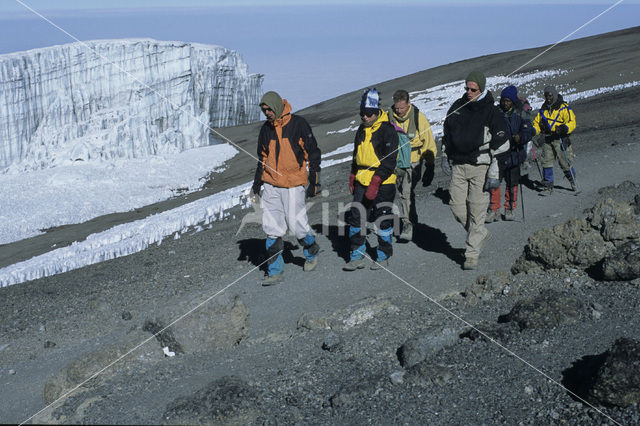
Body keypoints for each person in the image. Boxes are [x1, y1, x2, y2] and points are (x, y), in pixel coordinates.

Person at [252, 91, 321, 285]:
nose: (267, 113)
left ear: (277, 106)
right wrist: (257, 185)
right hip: (271, 184)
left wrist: (314, 182)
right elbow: (262, 159)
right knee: (272, 227)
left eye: (269, 109)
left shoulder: (298, 124)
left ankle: (311, 250)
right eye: (264, 110)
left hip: (293, 183)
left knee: (296, 224)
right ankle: (275, 271)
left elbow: (313, 153)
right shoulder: (266, 130)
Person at [441, 71, 509, 270]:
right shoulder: (457, 107)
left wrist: (495, 174)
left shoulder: (492, 112)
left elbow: (501, 144)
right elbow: (447, 134)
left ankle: (471, 254)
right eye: (467, 88)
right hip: (459, 166)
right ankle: (479, 234)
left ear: (482, 88)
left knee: (477, 210)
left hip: (481, 166)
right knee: (457, 207)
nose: (469, 92)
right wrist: (445, 155)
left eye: (473, 89)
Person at [343, 88, 399, 271]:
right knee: (356, 218)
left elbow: (390, 160)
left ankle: (383, 256)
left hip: (384, 182)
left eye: (368, 114)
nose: (365, 117)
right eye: (362, 114)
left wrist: (376, 181)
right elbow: (356, 155)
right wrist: (353, 175)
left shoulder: (387, 130)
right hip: (362, 179)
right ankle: (356, 255)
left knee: (382, 219)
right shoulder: (361, 129)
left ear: (376, 112)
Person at [387, 89, 437, 241]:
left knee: (405, 192)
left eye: (402, 108)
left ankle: (407, 224)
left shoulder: (418, 117)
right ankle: (412, 220)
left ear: (409, 103)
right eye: (397, 108)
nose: (400, 111)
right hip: (396, 162)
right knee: (403, 192)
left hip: (413, 161)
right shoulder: (389, 118)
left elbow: (428, 141)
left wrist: (430, 165)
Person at [486, 85, 534, 222]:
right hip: (498, 153)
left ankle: (510, 208)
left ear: (513, 101)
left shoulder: (520, 113)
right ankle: (493, 209)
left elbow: (528, 131)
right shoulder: (496, 113)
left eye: (508, 100)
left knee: (512, 183)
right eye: (503, 100)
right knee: (495, 181)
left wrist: (520, 137)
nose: (505, 103)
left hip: (514, 152)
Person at [532, 85, 578, 195]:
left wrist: (564, 128)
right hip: (548, 138)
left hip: (560, 138)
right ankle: (548, 186)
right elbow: (537, 124)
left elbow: (572, 122)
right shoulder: (543, 109)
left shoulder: (563, 107)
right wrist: (533, 131)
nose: (548, 98)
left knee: (565, 162)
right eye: (546, 96)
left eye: (550, 95)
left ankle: (573, 181)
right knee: (546, 162)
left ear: (555, 95)